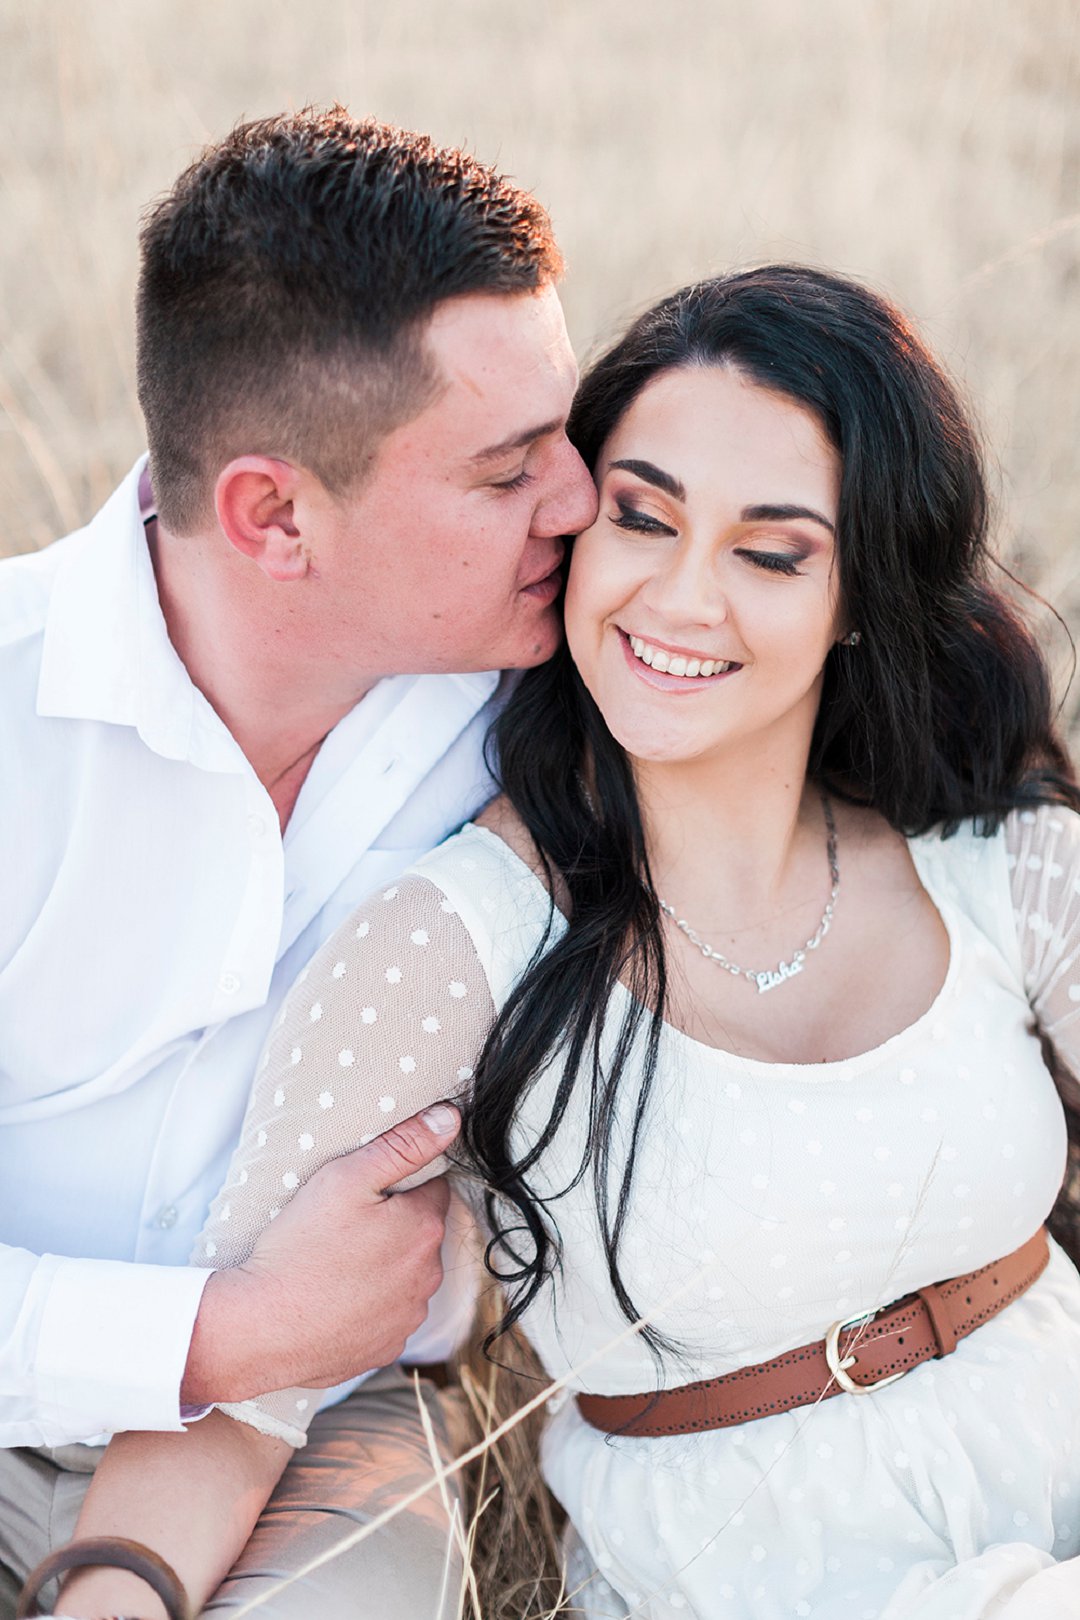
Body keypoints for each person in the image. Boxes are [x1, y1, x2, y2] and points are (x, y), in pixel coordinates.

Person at [42, 265, 1080, 1620]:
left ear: (862, 594)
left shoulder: (1000, 863)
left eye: (771, 554)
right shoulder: (451, 947)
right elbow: (250, 1392)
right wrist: (112, 1596)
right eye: (642, 518)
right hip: (756, 1583)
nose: (682, 597)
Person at [0, 106, 598, 1620]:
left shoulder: (558, 700)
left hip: (330, 1425)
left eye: (567, 434)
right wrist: (232, 1329)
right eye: (506, 471)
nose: (580, 502)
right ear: (273, 516)